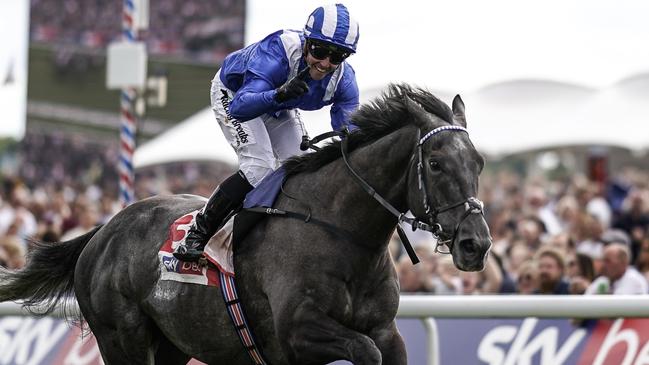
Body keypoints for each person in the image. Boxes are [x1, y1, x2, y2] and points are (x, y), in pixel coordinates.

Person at [174, 4, 360, 262]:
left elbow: (351, 134)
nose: (326, 63)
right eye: (320, 51)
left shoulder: (344, 81)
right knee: (258, 167)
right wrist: (280, 94)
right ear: (307, 42)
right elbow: (241, 107)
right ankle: (198, 233)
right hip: (236, 95)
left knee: (299, 168)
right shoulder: (278, 50)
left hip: (278, 103)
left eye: (337, 56)